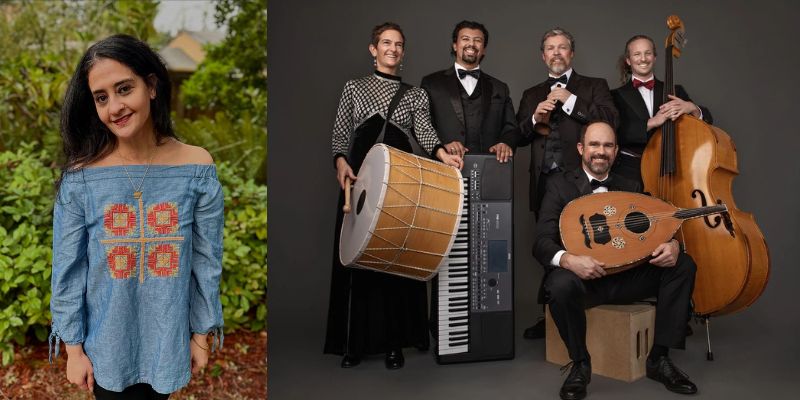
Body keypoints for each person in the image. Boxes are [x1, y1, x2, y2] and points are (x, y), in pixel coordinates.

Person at [50, 34, 224, 399]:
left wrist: (201, 334)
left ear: (152, 86)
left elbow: (206, 260)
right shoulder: (82, 177)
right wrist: (73, 349)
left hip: (168, 343)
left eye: (124, 88)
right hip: (105, 348)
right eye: (101, 97)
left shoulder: (196, 166)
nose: (114, 107)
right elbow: (68, 268)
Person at [324, 22, 462, 370]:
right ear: (373, 49)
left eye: (398, 44)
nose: (393, 49)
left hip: (399, 178)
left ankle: (394, 344)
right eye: (386, 43)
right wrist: (340, 162)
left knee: (395, 256)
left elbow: (426, 133)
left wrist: (444, 155)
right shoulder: (354, 87)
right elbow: (341, 133)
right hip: (358, 175)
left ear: (403, 52)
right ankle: (352, 344)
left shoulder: (415, 95)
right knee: (355, 255)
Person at [533, 121, 698, 400]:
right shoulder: (559, 185)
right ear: (581, 148)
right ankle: (580, 364)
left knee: (682, 263)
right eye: (594, 145)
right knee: (559, 284)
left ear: (616, 150)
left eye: (608, 145)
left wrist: (672, 245)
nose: (601, 152)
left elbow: (654, 227)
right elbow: (540, 243)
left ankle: (659, 358)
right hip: (585, 283)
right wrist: (570, 260)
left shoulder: (630, 185)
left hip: (626, 277)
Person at [517, 27, 618, 340]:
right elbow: (520, 135)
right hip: (546, 184)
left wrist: (572, 101)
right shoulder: (531, 94)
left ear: (571, 53)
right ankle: (550, 316)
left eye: (562, 47)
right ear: (543, 55)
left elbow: (610, 120)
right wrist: (535, 119)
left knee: (583, 242)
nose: (556, 53)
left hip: (581, 182)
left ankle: (585, 308)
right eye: (550, 48)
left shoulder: (594, 86)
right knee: (549, 246)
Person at [611, 34, 713, 186]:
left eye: (648, 53)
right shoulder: (615, 95)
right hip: (632, 173)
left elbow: (707, 122)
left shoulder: (675, 90)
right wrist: (652, 122)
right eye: (637, 54)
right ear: (628, 60)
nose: (643, 59)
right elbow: (615, 133)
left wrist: (691, 108)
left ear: (655, 57)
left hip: (675, 171)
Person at [421, 20, 521, 163]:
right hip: (444, 168)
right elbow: (423, 125)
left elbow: (511, 127)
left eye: (477, 40)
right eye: (465, 39)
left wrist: (506, 143)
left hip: (489, 167)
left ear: (484, 49)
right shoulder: (431, 83)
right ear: (455, 45)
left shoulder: (500, 88)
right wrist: (441, 147)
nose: (471, 44)